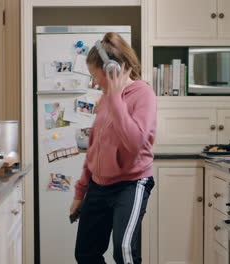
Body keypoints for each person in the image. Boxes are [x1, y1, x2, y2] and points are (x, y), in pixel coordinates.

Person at [70, 32, 156, 264]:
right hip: (99, 186)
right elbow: (94, 149)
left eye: (95, 76)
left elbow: (135, 143)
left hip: (131, 184)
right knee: (86, 253)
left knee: (124, 250)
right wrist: (81, 192)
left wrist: (116, 98)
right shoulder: (106, 99)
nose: (95, 82)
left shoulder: (143, 94)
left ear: (113, 70)